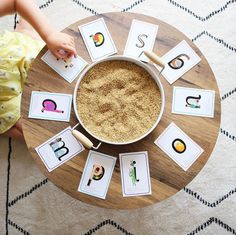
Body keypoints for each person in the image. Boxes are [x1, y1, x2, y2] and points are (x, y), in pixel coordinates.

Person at [0, 0, 77, 140]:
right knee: (36, 134)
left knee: (61, 66)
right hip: (3, 101)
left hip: (13, 56)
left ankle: (25, 29)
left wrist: (49, 35)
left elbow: (16, 2)